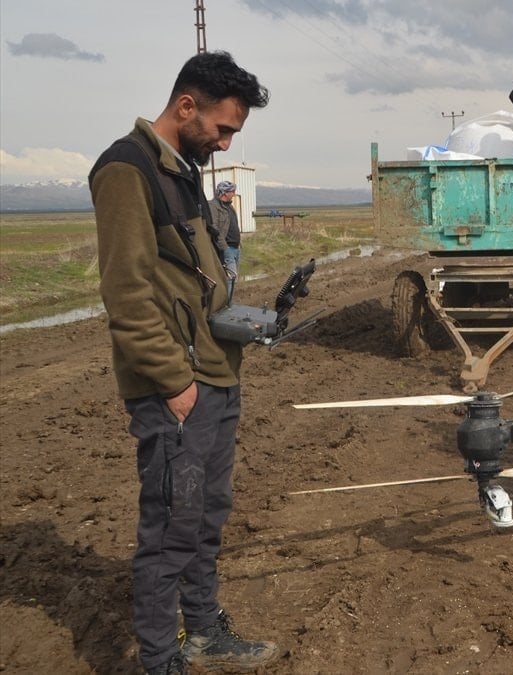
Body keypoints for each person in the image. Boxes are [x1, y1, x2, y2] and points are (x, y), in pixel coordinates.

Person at [88, 51, 275, 675]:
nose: (224, 143)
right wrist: (173, 382)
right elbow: (127, 291)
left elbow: (195, 275)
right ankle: (161, 661)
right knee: (172, 525)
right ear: (186, 105)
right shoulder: (126, 169)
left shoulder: (181, 169)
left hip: (216, 377)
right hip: (179, 390)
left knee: (205, 517)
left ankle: (204, 632)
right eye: (221, 129)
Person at [210, 180, 240, 301]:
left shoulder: (229, 206)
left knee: (233, 279)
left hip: (235, 248)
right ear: (224, 193)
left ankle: (228, 303)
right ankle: (225, 305)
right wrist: (225, 247)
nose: (233, 193)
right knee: (230, 278)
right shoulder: (213, 206)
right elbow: (214, 227)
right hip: (227, 248)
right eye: (231, 191)